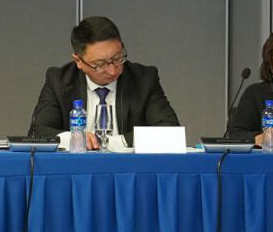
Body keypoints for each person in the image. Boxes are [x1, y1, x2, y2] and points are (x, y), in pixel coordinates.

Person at [29, 15, 179, 150]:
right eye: (100, 64)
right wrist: (74, 138)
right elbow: (39, 131)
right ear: (78, 61)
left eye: (117, 58)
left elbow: (170, 130)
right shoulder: (59, 81)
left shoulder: (143, 79)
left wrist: (115, 142)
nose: (113, 70)